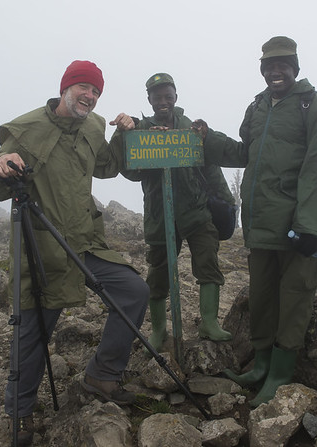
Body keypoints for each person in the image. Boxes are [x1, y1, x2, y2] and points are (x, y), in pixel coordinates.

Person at [0, 60, 149, 445]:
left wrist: (123, 134)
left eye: (96, 91)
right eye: (84, 87)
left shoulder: (94, 125)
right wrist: (0, 164)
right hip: (45, 246)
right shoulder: (27, 128)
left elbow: (105, 167)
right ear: (66, 88)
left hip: (85, 241)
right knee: (35, 329)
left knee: (134, 293)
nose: (90, 96)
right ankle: (19, 412)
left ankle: (102, 376)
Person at [192, 36, 317, 407]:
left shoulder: (313, 106)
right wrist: (209, 139)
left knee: (293, 301)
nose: (276, 71)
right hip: (262, 225)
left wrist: (310, 226)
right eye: (269, 65)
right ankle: (260, 366)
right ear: (262, 70)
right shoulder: (258, 106)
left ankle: (279, 376)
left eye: (283, 65)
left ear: (295, 67)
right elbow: (247, 152)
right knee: (261, 298)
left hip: (298, 228)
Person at [120, 73, 235, 351]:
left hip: (196, 212)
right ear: (149, 100)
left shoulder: (190, 127)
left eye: (167, 96)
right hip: (160, 216)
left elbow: (210, 167)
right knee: (158, 275)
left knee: (208, 264)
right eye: (157, 97)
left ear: (175, 97)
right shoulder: (141, 129)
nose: (163, 101)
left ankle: (209, 322)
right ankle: (159, 331)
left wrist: (227, 201)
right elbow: (130, 171)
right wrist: (150, 146)